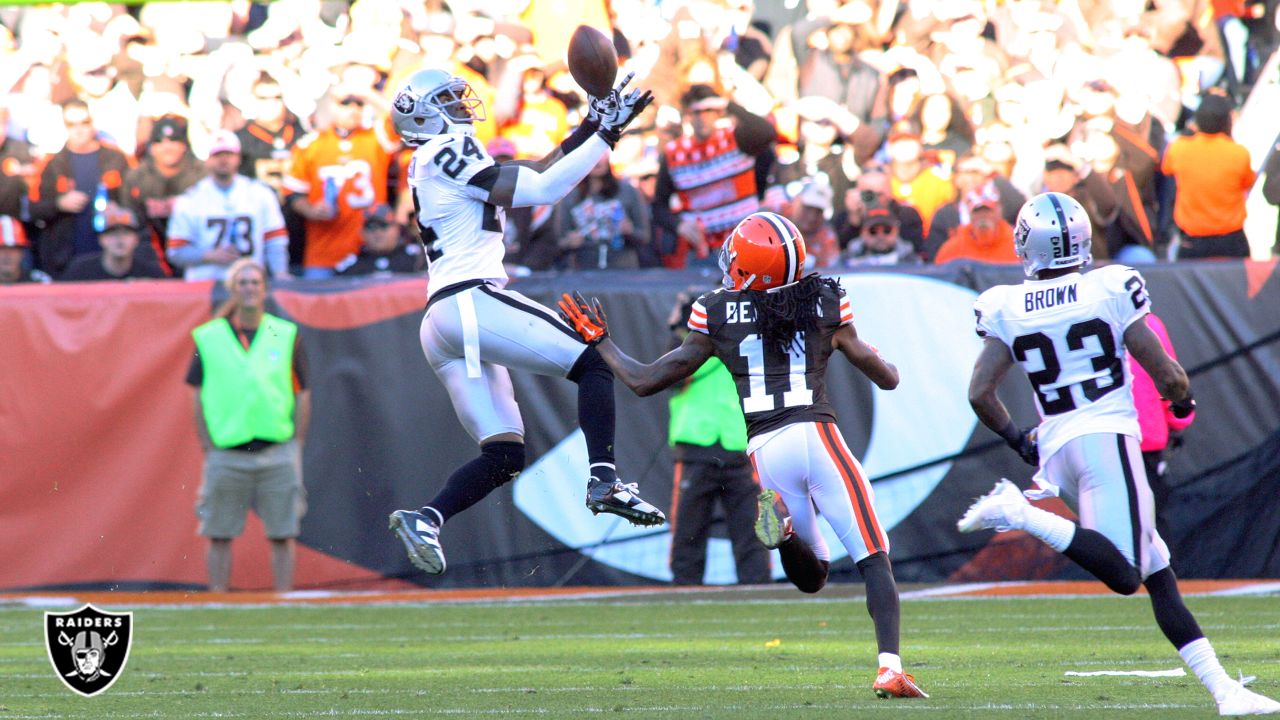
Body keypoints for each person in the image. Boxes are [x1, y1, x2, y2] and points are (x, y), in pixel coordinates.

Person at [558, 211, 928, 700]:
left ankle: (787, 533)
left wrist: (602, 342)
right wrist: (877, 357)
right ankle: (889, 667)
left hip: (764, 449)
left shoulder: (715, 311)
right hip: (817, 436)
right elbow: (887, 377)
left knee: (813, 574)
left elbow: (644, 381)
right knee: (874, 557)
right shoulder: (825, 300)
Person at [957, 191, 1280, 716]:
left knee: (1157, 571)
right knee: (1127, 573)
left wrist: (1021, 441)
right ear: (1082, 239)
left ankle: (1225, 690)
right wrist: (1182, 399)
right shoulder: (1108, 286)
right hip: (1106, 439)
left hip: (1057, 445)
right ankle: (1022, 513)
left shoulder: (1005, 304)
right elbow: (1168, 373)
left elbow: (979, 393)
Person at [384, 68, 665, 577]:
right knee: (594, 360)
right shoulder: (442, 152)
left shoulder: (437, 161)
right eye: (448, 99)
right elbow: (540, 190)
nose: (464, 105)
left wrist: (590, 125)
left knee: (504, 455)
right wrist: (608, 134)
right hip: (471, 301)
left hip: (442, 321)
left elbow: (536, 168)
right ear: (424, 115)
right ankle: (604, 480)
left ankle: (426, 518)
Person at [187, 258, 310, 592]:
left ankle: (284, 600)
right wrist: (208, 445)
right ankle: (217, 600)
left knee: (284, 531)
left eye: (255, 282)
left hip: (276, 447)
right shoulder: (210, 336)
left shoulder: (281, 332)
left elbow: (301, 392)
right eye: (242, 282)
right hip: (227, 450)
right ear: (231, 289)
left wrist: (295, 444)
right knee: (218, 531)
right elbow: (196, 394)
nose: (249, 288)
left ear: (265, 289)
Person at [664, 292, 769, 586]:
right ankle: (684, 594)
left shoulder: (748, 339)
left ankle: (759, 592)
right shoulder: (688, 341)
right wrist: (677, 327)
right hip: (698, 444)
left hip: (738, 445)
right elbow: (670, 375)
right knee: (688, 530)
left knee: (753, 531)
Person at [652, 84, 776, 268]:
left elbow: (767, 132)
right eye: (696, 112)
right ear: (688, 115)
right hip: (704, 252)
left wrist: (728, 104)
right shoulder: (673, 154)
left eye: (708, 110)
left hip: (748, 245)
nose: (702, 118)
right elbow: (658, 206)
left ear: (718, 112)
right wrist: (678, 225)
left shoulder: (737, 139)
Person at [284, 85, 398, 278]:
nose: (353, 109)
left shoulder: (375, 138)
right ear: (331, 106)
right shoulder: (310, 145)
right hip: (324, 251)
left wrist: (367, 92)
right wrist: (311, 210)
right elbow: (292, 193)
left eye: (359, 104)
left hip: (368, 252)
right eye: (345, 103)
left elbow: (400, 117)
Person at [29, 100, 133, 278]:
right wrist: (59, 203)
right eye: (72, 124)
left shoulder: (116, 158)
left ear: (93, 123)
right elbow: (32, 209)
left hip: (110, 256)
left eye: (84, 123)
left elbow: (135, 200)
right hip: (67, 256)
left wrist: (119, 211)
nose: (79, 129)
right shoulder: (51, 163)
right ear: (64, 126)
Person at [167, 131, 290, 281]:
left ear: (238, 158)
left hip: (250, 285)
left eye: (229, 154)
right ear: (208, 160)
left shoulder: (260, 193)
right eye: (218, 155)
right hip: (206, 284)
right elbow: (175, 251)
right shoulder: (191, 199)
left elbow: (275, 240)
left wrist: (280, 273)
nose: (223, 160)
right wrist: (208, 255)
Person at [1161, 93, 1255, 259]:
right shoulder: (1238, 153)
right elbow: (1248, 182)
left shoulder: (1179, 148)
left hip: (1192, 241)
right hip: (1230, 241)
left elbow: (1166, 168)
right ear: (1228, 121)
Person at [1129, 313, 1195, 541]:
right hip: (1144, 438)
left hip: (1100, 439)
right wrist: (1179, 419)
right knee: (1151, 522)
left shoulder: (1084, 317)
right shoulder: (1148, 322)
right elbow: (1170, 379)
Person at [121, 115, 205, 271]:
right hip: (151, 244)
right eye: (159, 142)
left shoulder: (201, 174)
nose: (167, 147)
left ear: (184, 145)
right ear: (151, 148)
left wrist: (181, 207)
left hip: (194, 244)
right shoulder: (137, 176)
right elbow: (129, 216)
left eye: (174, 141)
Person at [60, 205, 167, 281]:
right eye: (113, 234)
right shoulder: (80, 272)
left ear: (136, 239)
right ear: (101, 239)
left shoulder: (151, 274)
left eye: (126, 233)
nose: (119, 239)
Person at [932, 188, 1018, 265]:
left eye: (987, 211)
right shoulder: (951, 250)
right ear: (969, 215)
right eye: (977, 211)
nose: (982, 216)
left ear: (998, 211)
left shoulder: (1017, 246)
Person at [335, 203, 424, 276]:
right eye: (371, 228)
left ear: (396, 229)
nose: (378, 233)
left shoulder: (418, 258)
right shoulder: (350, 266)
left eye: (383, 226)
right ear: (362, 233)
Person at [842, 205, 919, 267]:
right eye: (873, 231)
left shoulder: (912, 261)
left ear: (896, 231)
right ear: (862, 233)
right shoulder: (846, 259)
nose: (880, 236)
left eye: (887, 230)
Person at [0, 215, 51, 285]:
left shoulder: (39, 282)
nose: (7, 255)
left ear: (22, 253)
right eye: (2, 249)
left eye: (14, 248)